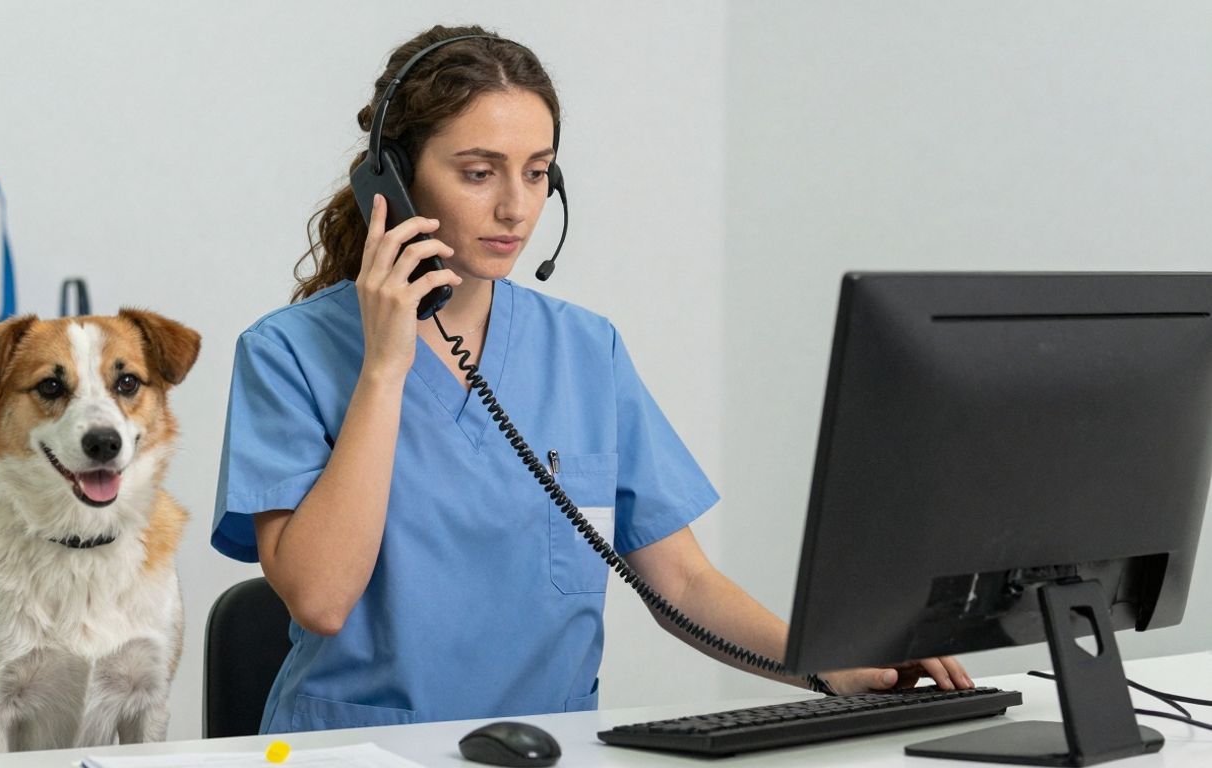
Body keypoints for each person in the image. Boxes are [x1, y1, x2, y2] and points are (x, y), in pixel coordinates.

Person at [211, 24, 971, 734]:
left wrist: (827, 662)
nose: (515, 207)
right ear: (395, 182)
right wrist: (384, 369)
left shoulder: (585, 349)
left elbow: (684, 584)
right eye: (479, 173)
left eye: (538, 174)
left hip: (550, 749)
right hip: (359, 754)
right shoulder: (288, 354)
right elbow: (319, 599)